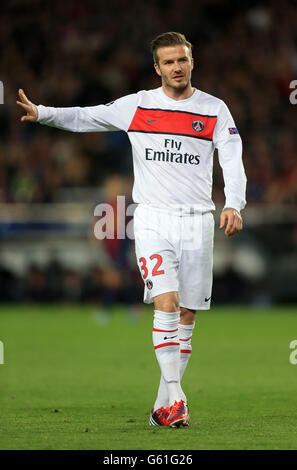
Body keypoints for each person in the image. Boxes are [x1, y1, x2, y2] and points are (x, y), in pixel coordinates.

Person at [17, 31, 246, 428]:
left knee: (188, 313)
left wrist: (235, 204)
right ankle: (178, 399)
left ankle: (164, 403)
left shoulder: (214, 109)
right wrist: (44, 112)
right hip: (154, 219)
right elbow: (86, 116)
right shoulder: (137, 105)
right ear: (157, 68)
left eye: (182, 60)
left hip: (198, 222)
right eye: (169, 62)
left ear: (192, 62)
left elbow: (232, 159)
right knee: (167, 302)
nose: (177, 67)